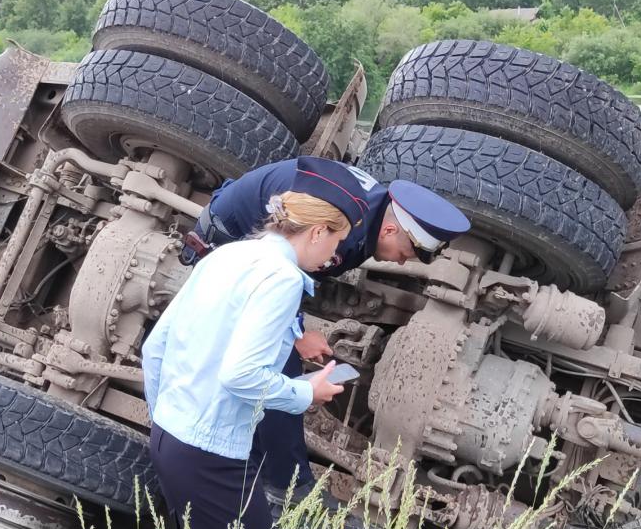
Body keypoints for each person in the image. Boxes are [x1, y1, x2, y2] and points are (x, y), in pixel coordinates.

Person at [142, 190, 352, 529]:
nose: (334, 259)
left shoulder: (230, 254)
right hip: (212, 454)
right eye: (336, 245)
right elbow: (241, 375)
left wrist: (165, 419)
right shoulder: (281, 280)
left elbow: (155, 347)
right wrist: (308, 392)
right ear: (317, 232)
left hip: (174, 437)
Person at [186, 155, 471, 494]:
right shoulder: (348, 235)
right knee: (277, 369)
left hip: (253, 237)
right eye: (409, 252)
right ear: (392, 229)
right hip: (226, 245)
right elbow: (271, 274)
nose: (405, 261)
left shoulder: (373, 210)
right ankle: (286, 485)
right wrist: (297, 334)